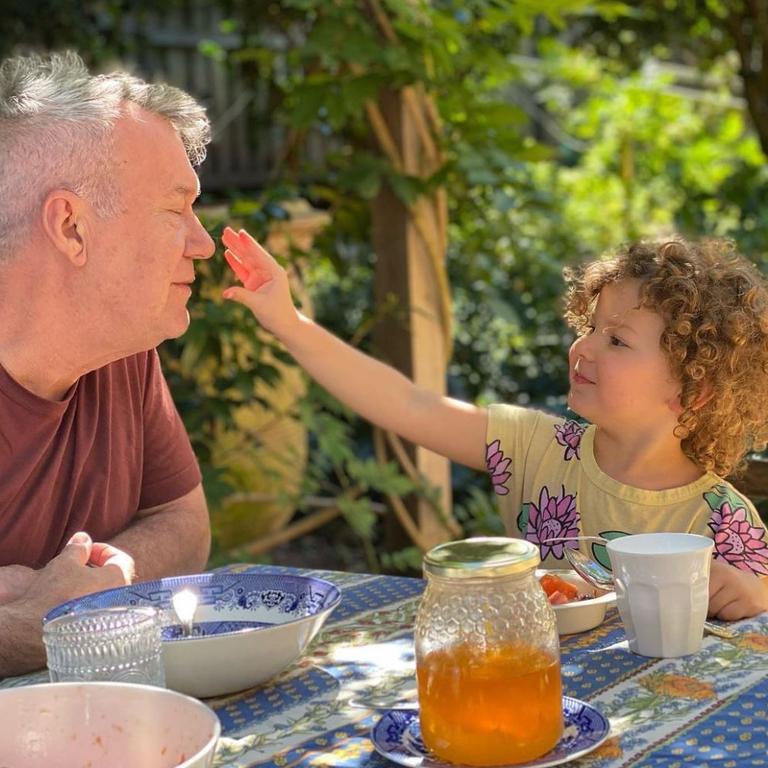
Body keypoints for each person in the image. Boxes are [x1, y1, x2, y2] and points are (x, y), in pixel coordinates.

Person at [221, 227, 768, 621]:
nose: (583, 347)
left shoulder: (722, 520)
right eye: (591, 327)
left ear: (693, 390)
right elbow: (409, 406)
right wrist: (289, 323)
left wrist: (756, 594)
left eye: (617, 340)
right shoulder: (534, 447)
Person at [0, 51, 215, 675]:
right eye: (176, 210)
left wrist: (102, 580)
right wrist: (35, 625)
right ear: (71, 228)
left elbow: (183, 522)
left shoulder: (122, 352)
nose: (202, 243)